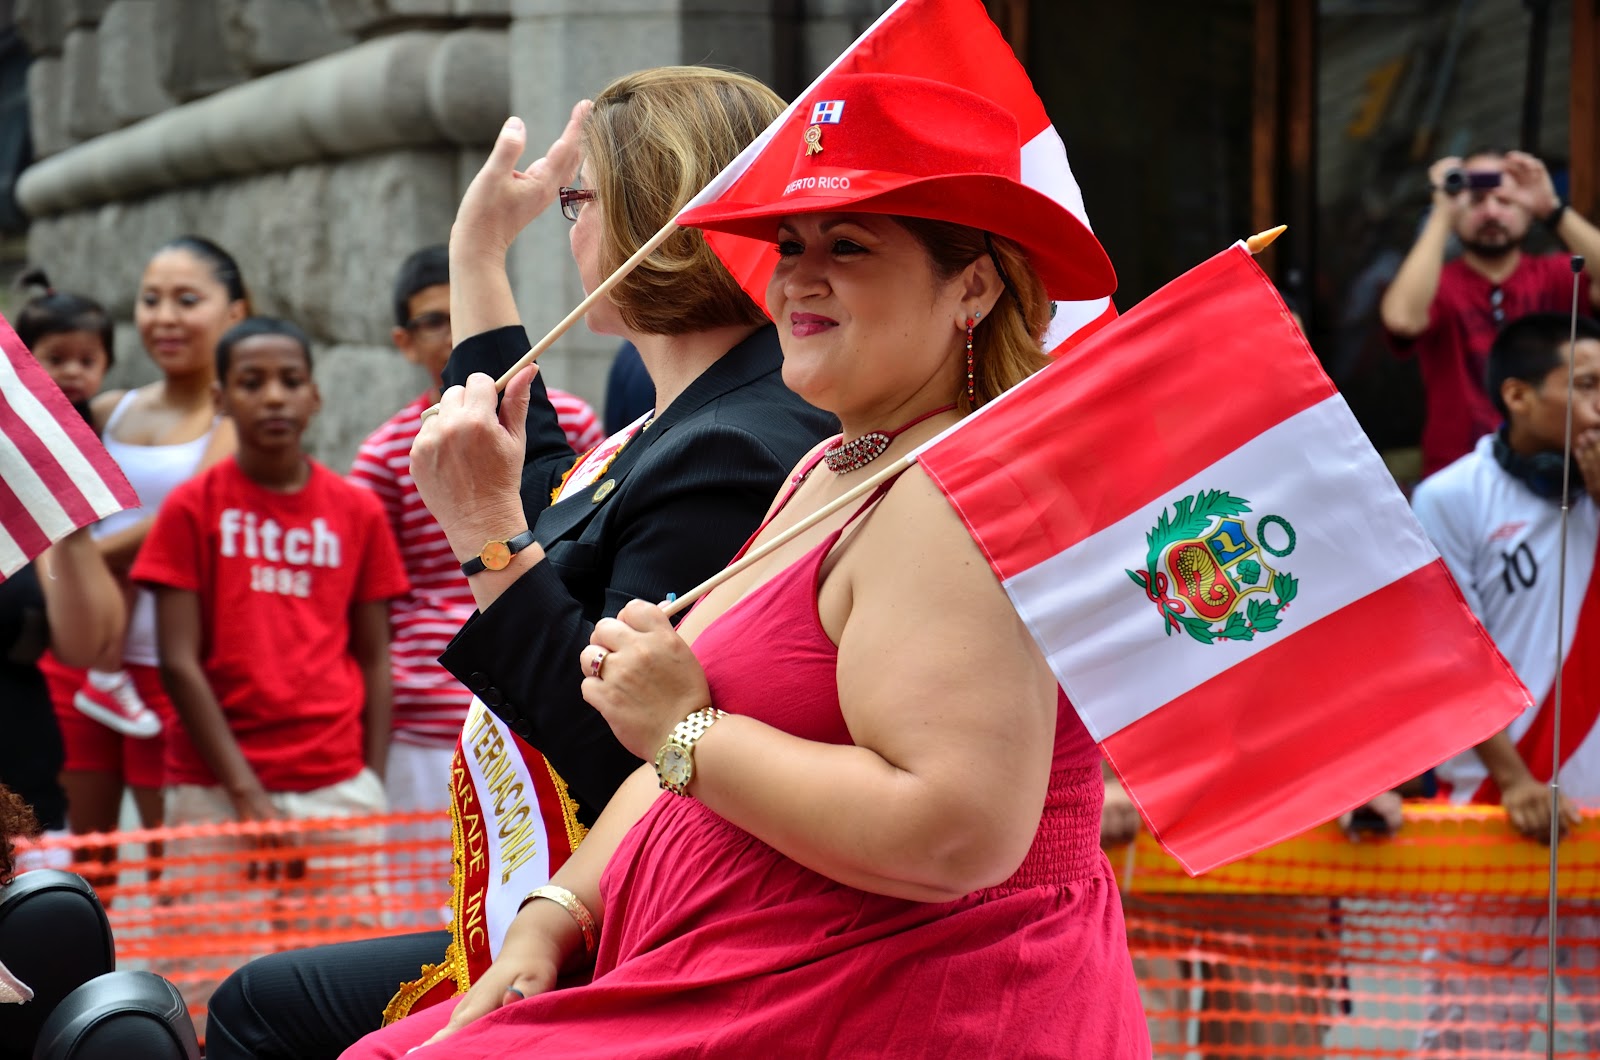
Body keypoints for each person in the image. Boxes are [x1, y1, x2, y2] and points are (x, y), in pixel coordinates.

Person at [344, 71, 1147, 1058]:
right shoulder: (831, 462)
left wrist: (685, 727)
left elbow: (953, 834)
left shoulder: (953, 491)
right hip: (754, 972)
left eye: (847, 246)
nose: (798, 276)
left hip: (896, 1001)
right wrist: (557, 908)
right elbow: (676, 729)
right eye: (787, 244)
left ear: (971, 283)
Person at [202, 66, 835, 1060]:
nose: (569, 228)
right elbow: (545, 486)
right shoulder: (692, 415)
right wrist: (478, 254)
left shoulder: (737, 442)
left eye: (579, 202)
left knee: (259, 1010)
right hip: (573, 902)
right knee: (261, 998)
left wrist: (486, 538)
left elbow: (628, 742)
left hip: (638, 926)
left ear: (654, 215)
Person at [131, 317, 406, 992]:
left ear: (315, 396)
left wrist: (367, 779)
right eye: (252, 383)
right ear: (221, 398)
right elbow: (177, 661)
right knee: (205, 986)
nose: (274, 397)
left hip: (334, 787)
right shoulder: (193, 509)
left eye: (291, 381)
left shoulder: (356, 511)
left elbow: (376, 658)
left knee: (339, 986)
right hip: (212, 792)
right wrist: (244, 793)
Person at [349, 245, 603, 924]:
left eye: (464, 320)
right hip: (424, 712)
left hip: (535, 683)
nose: (454, 340)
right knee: (417, 908)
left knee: (521, 899)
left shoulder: (574, 425)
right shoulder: (383, 452)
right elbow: (370, 599)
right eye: (436, 322)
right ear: (404, 342)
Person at [1409, 311, 1600, 1053]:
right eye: (1585, 385)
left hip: (1596, 817)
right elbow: (1451, 658)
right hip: (1495, 815)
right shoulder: (1453, 496)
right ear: (1518, 395)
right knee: (1475, 1039)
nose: (1599, 405)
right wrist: (1516, 781)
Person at [38, 236, 249, 876]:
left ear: (235, 313)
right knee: (77, 860)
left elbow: (188, 514)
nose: (163, 316)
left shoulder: (237, 418)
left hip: (171, 670)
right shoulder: (108, 408)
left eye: (187, 299)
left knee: (169, 868)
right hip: (80, 666)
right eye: (150, 299)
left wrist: (85, 552)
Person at [1380, 149, 1600, 479]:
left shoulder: (1559, 274)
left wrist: (1551, 209)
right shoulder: (1439, 283)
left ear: (1528, 212)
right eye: (1476, 201)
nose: (1491, 212)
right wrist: (1441, 212)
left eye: (1506, 201)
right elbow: (1402, 319)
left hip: (1559, 472)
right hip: (1457, 474)